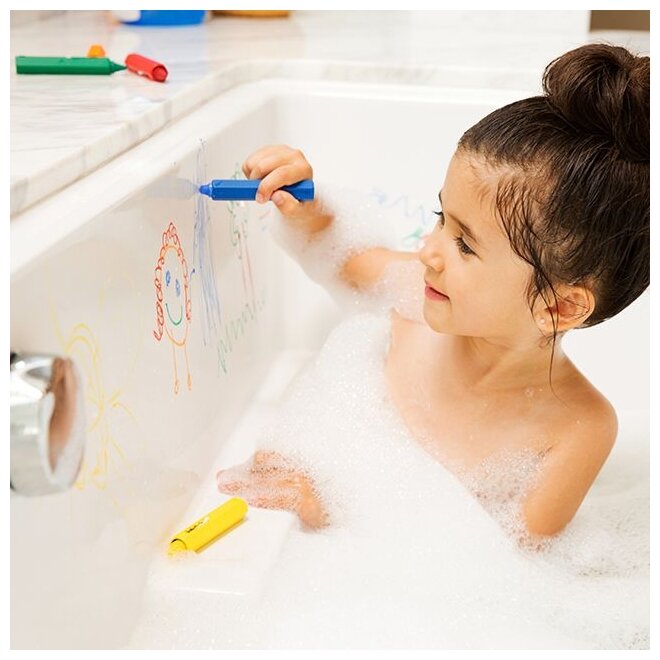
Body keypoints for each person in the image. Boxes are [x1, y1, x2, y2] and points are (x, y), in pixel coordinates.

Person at [216, 43, 649, 543]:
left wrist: (335, 510)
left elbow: (504, 566)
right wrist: (304, 205)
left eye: (464, 244)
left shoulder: (578, 431)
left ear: (559, 305)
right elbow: (337, 253)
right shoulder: (412, 299)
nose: (427, 250)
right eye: (442, 217)